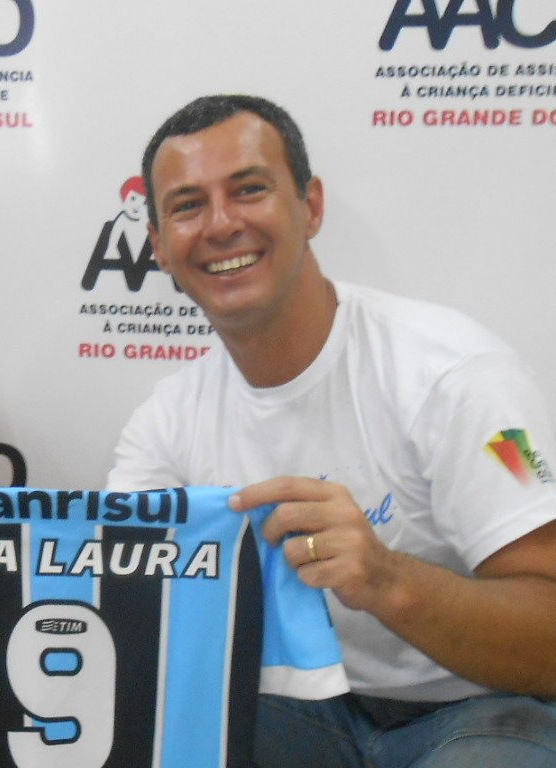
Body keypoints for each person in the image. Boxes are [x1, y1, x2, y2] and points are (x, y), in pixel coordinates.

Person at [103, 94, 556, 765]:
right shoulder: (166, 418)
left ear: (311, 207)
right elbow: (110, 580)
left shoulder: (458, 376)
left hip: (486, 704)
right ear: (161, 249)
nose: (221, 224)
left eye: (249, 189)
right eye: (188, 205)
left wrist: (385, 579)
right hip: (298, 708)